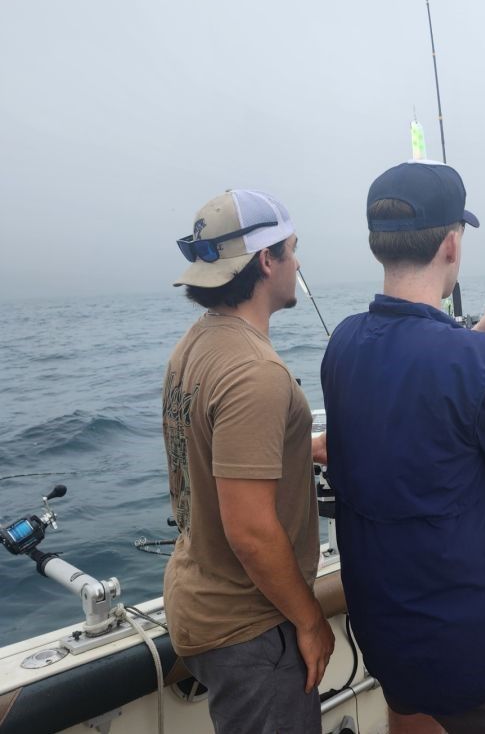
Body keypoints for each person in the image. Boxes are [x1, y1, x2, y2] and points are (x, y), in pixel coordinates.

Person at [321, 161, 485, 734]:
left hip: (390, 634)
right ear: (452, 245)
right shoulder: (472, 363)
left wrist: (470, 339)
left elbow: (416, 392)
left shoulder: (344, 344)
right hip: (483, 654)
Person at [161, 188, 334, 734]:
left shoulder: (195, 345)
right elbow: (251, 531)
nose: (298, 262)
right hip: (249, 625)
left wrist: (301, 448)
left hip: (198, 599)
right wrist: (309, 621)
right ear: (266, 260)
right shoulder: (256, 371)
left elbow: (210, 454)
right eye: (292, 249)